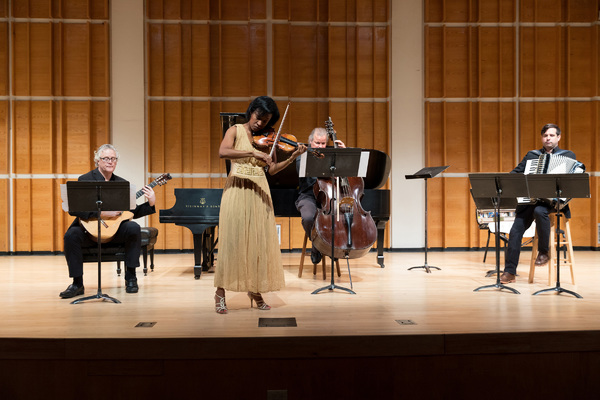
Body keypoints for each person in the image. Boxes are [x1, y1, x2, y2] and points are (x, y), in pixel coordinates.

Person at [214, 96, 306, 314]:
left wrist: (292, 156)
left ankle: (254, 290)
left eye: (265, 121)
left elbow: (272, 169)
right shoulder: (235, 130)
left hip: (259, 192)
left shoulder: (269, 139)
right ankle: (220, 292)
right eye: (258, 117)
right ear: (251, 111)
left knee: (258, 242)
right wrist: (252, 152)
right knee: (232, 241)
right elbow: (223, 152)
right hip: (236, 190)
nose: (260, 123)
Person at [60, 144, 156, 298]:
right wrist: (102, 213)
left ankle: (131, 277)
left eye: (113, 159)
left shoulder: (121, 183)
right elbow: (74, 209)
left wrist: (150, 202)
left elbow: (131, 211)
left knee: (132, 227)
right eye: (106, 158)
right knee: (71, 235)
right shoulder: (85, 180)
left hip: (114, 230)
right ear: (98, 161)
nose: (110, 162)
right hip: (88, 229)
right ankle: (77, 283)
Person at [500, 123, 581, 284]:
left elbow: (571, 181)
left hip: (552, 203)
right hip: (529, 201)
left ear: (558, 137)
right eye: (545, 135)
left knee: (539, 210)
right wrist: (519, 180)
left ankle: (544, 251)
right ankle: (509, 272)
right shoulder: (532, 156)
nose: (548, 138)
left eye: (551, 135)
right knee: (515, 231)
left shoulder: (568, 155)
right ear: (542, 138)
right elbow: (514, 174)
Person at [295, 127, 346, 264]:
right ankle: (318, 246)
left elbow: (346, 173)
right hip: (308, 196)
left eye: (323, 143)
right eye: (317, 143)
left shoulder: (331, 158)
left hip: (328, 196)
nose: (320, 146)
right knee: (307, 217)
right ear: (310, 142)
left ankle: (332, 246)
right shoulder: (302, 156)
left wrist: (343, 156)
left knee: (339, 216)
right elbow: (304, 171)